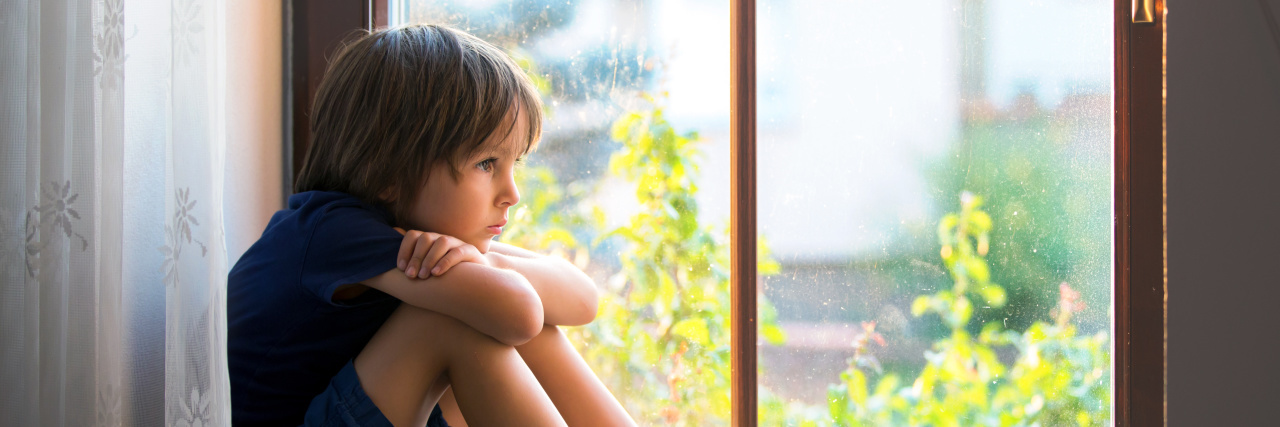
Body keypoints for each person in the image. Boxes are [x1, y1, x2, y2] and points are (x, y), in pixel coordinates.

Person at [227, 24, 635, 427]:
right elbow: (522, 312)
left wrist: (479, 262)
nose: (512, 193)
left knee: (486, 305)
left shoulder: (421, 237)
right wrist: (481, 269)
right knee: (457, 320)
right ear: (387, 173)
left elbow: (583, 300)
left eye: (515, 164)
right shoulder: (332, 232)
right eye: (486, 163)